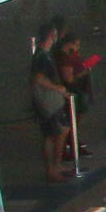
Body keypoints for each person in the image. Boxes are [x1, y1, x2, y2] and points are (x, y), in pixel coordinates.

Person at [28, 41, 75, 182]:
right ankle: (52, 168)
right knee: (53, 133)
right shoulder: (42, 57)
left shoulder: (43, 56)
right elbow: (38, 78)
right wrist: (57, 88)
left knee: (60, 130)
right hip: (48, 103)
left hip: (50, 101)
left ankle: (56, 165)